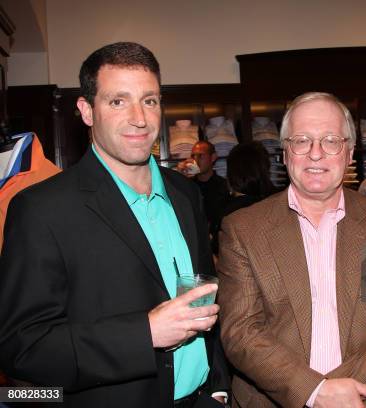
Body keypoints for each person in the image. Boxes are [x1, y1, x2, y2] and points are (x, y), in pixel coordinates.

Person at [0, 42, 229, 408]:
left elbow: (205, 299)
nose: (139, 118)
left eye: (150, 100)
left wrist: (217, 387)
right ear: (87, 111)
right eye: (118, 101)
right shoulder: (41, 209)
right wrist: (145, 334)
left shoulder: (185, 194)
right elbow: (23, 349)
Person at [216, 92, 366, 408]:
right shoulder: (243, 230)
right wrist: (314, 392)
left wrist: (343, 395)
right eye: (302, 141)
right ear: (285, 152)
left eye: (331, 141)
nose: (316, 153)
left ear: (350, 153)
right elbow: (241, 332)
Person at [179, 140, 230, 248]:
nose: (196, 160)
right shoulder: (188, 186)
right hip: (194, 245)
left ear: (213, 157)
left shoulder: (224, 186)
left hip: (220, 246)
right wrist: (181, 179)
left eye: (201, 156)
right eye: (193, 156)